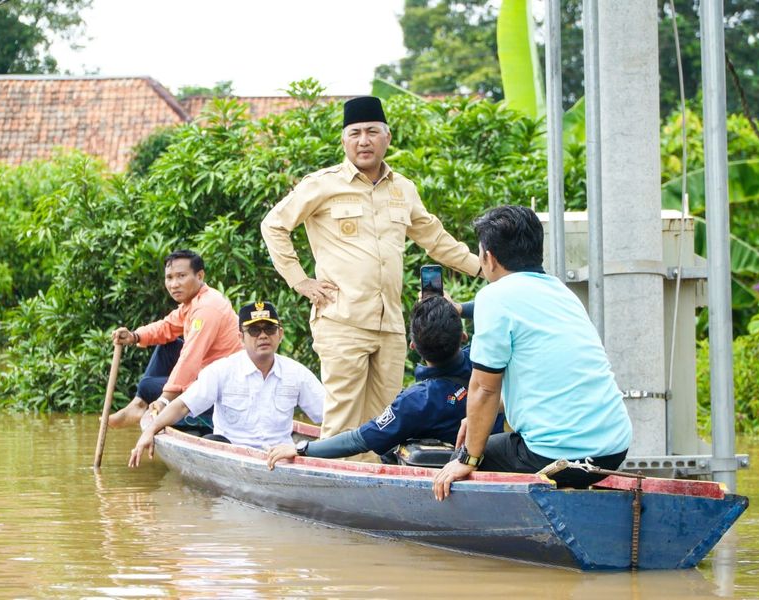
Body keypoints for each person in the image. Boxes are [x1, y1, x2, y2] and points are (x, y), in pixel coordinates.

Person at [260, 96, 480, 450]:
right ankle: (328, 496)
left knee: (387, 421)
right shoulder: (322, 184)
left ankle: (374, 497)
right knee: (343, 416)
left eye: (372, 132)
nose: (364, 140)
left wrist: (486, 268)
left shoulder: (403, 188)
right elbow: (274, 225)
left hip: (390, 324)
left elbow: (436, 240)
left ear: (387, 137)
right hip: (342, 320)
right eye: (355, 133)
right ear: (344, 140)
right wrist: (300, 281)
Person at [432, 205, 632, 499]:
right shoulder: (562, 292)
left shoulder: (494, 296)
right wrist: (475, 420)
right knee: (482, 437)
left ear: (488, 257)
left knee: (460, 463)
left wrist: (467, 459)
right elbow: (547, 381)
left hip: (553, 455)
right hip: (613, 449)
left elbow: (484, 390)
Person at [265, 296, 504, 469]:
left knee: (391, 448)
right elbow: (498, 309)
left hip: (456, 467)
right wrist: (460, 308)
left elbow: (358, 439)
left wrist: (302, 448)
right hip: (495, 457)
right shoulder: (485, 362)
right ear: (463, 336)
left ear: (413, 347)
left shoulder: (416, 401)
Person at [129, 301, 324, 467]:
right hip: (230, 456)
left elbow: (329, 413)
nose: (263, 336)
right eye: (254, 330)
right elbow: (182, 406)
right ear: (241, 338)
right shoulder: (221, 370)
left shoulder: (297, 373)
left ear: (280, 334)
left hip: (282, 457)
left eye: (269, 329)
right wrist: (151, 430)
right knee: (210, 443)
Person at [108, 249, 242, 429]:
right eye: (169, 278)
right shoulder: (193, 302)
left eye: (181, 276)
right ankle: (139, 405)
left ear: (200, 276)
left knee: (148, 386)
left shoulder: (206, 308)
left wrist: (164, 399)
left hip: (223, 386)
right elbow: (166, 327)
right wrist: (134, 336)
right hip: (207, 371)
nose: (174, 284)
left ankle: (142, 403)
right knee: (168, 345)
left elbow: (190, 358)